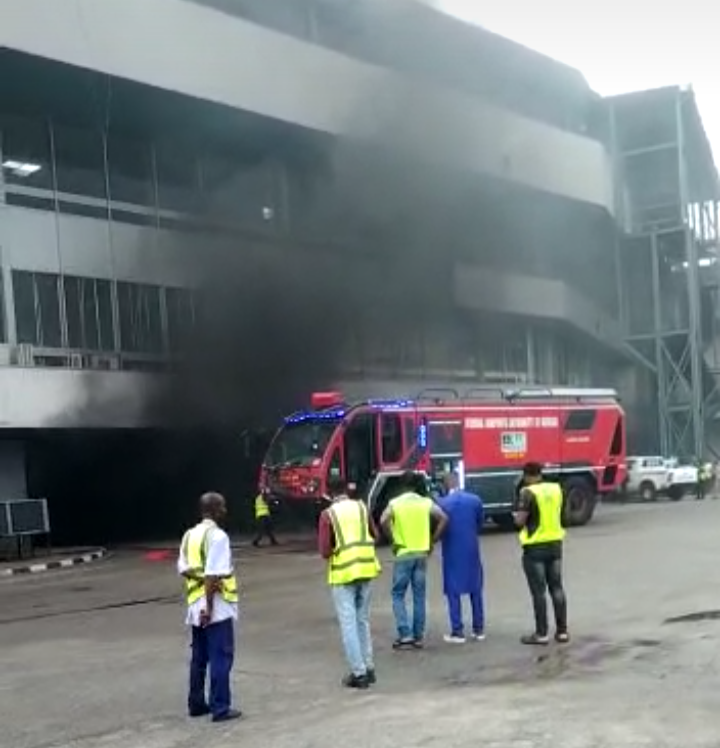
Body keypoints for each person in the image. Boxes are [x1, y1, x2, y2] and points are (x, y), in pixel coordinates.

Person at [177, 492, 242, 722]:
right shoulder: (218, 537)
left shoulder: (189, 535)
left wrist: (200, 593)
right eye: (222, 507)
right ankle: (220, 707)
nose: (225, 510)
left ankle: (196, 704)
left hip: (194, 604)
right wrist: (209, 607)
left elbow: (183, 568)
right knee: (221, 656)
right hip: (215, 607)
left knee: (199, 657)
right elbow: (213, 576)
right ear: (214, 510)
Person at [318, 477, 381, 689]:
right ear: (347, 489)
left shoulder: (328, 515)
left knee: (348, 624)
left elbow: (325, 551)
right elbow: (376, 535)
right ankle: (369, 667)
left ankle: (358, 673)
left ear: (329, 493)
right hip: (366, 569)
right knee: (363, 620)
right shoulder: (362, 507)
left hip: (344, 574)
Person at [381, 471, 448, 649]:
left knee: (398, 594)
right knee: (419, 595)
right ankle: (418, 636)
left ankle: (405, 634)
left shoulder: (395, 503)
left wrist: (394, 540)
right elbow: (443, 518)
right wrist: (432, 540)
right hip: (421, 554)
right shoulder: (425, 502)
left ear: (402, 485)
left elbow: (383, 520)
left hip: (403, 553)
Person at [514, 462, 569, 646]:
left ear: (527, 476)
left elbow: (520, 521)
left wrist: (516, 516)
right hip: (555, 545)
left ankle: (541, 633)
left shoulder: (527, 492)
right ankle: (562, 632)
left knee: (539, 592)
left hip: (535, 548)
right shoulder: (556, 489)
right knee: (557, 588)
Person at [438, 472, 485, 644]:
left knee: (453, 590)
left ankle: (457, 631)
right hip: (472, 549)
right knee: (476, 588)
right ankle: (478, 629)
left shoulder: (442, 503)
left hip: (451, 549)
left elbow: (438, 526)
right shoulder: (475, 500)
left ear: (445, 485)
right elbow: (480, 522)